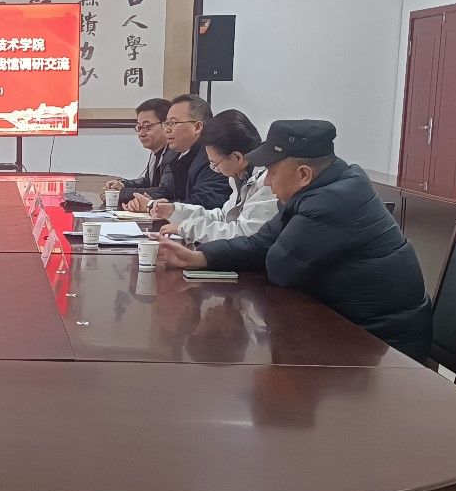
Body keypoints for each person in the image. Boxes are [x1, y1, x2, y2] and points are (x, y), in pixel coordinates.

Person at [157, 119, 433, 360]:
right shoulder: (320, 189)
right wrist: (201, 257)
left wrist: (250, 250)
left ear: (303, 174)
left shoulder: (331, 201)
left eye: (272, 171)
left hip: (383, 344)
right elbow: (262, 241)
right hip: (351, 327)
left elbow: (280, 267)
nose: (266, 182)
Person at [149, 110, 279, 243]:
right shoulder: (241, 176)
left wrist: (187, 229)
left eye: (215, 164)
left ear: (237, 157)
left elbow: (243, 234)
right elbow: (223, 217)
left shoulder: (268, 182)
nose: (216, 170)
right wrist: (174, 210)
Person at [124, 94, 230, 212]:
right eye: (166, 123)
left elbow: (204, 204)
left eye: (173, 123)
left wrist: (151, 205)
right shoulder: (178, 155)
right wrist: (145, 201)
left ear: (197, 127)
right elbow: (170, 195)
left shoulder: (211, 156)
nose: (167, 129)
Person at [105, 98, 175, 201]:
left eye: (147, 127)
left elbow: (164, 192)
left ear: (166, 125)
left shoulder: (174, 154)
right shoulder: (156, 152)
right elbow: (148, 182)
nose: (141, 134)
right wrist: (123, 184)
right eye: (139, 127)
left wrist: (122, 193)